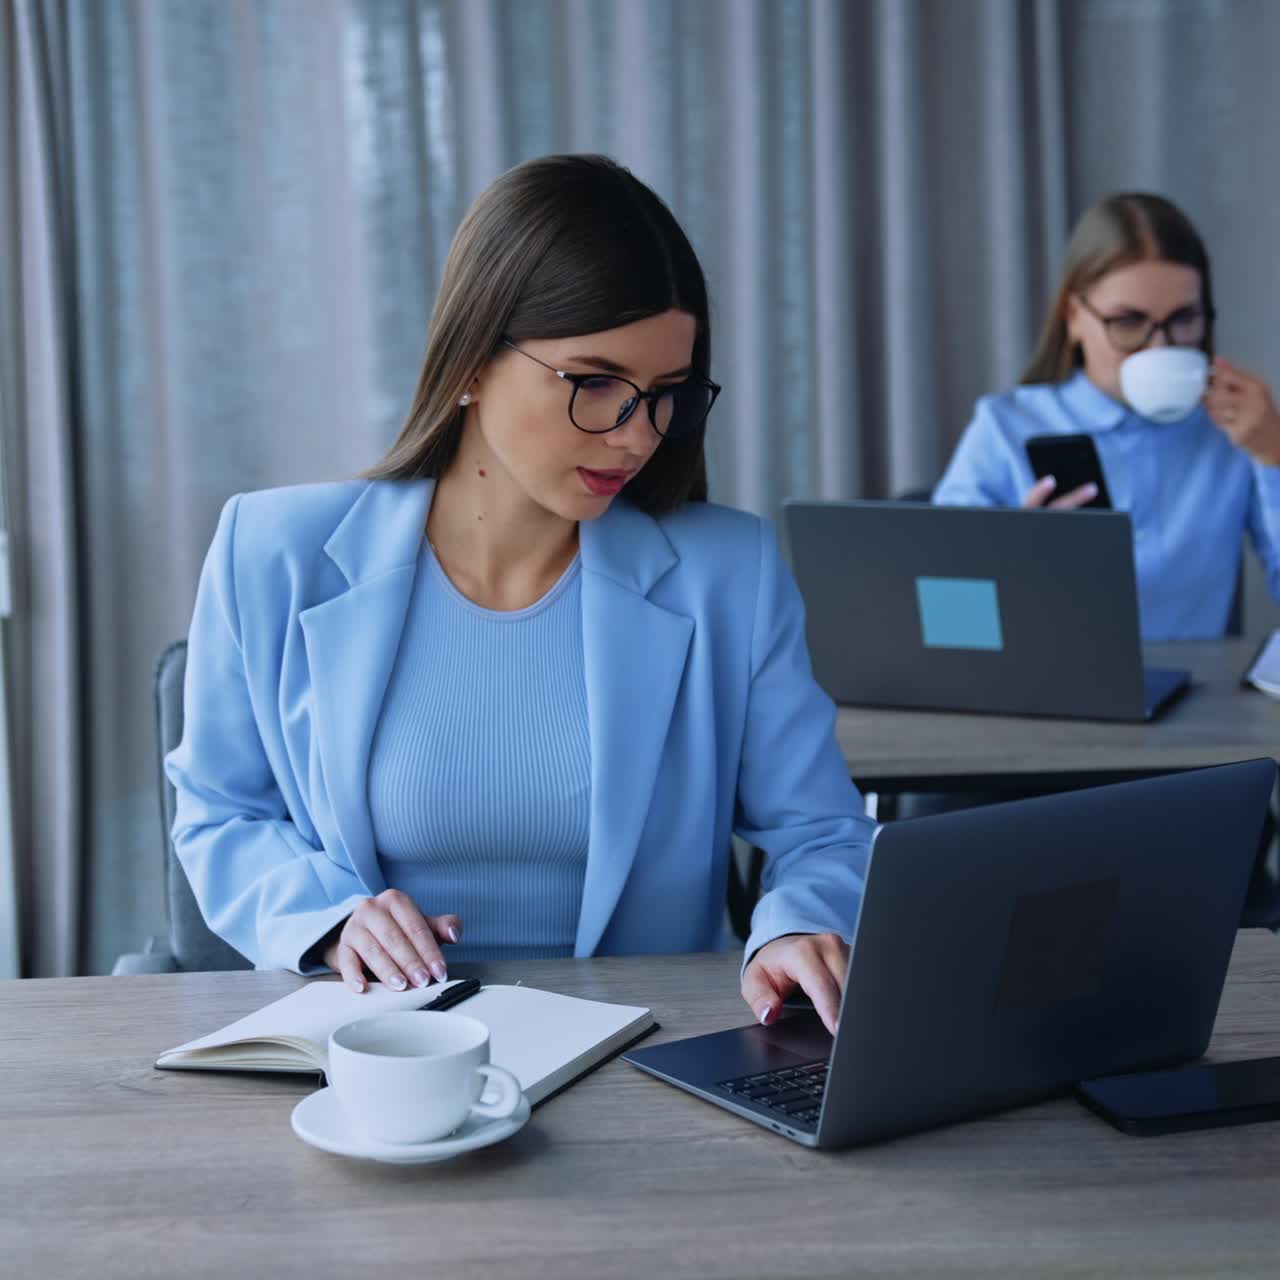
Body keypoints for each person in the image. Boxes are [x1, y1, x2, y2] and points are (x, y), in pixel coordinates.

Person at [166, 153, 873, 1034]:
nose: (636, 436)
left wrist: (796, 924)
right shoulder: (271, 551)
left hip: (644, 1053)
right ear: (470, 361)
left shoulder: (731, 574)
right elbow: (222, 813)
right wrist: (327, 915)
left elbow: (823, 832)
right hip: (380, 1052)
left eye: (666, 396)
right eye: (597, 384)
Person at [934, 192, 1280, 641]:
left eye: (1184, 320)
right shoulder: (1005, 427)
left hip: (1199, 704)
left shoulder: (1235, 434)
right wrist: (1016, 565)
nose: (1162, 347)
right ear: (1074, 317)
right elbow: (945, 620)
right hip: (1046, 696)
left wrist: (1276, 457)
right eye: (1129, 322)